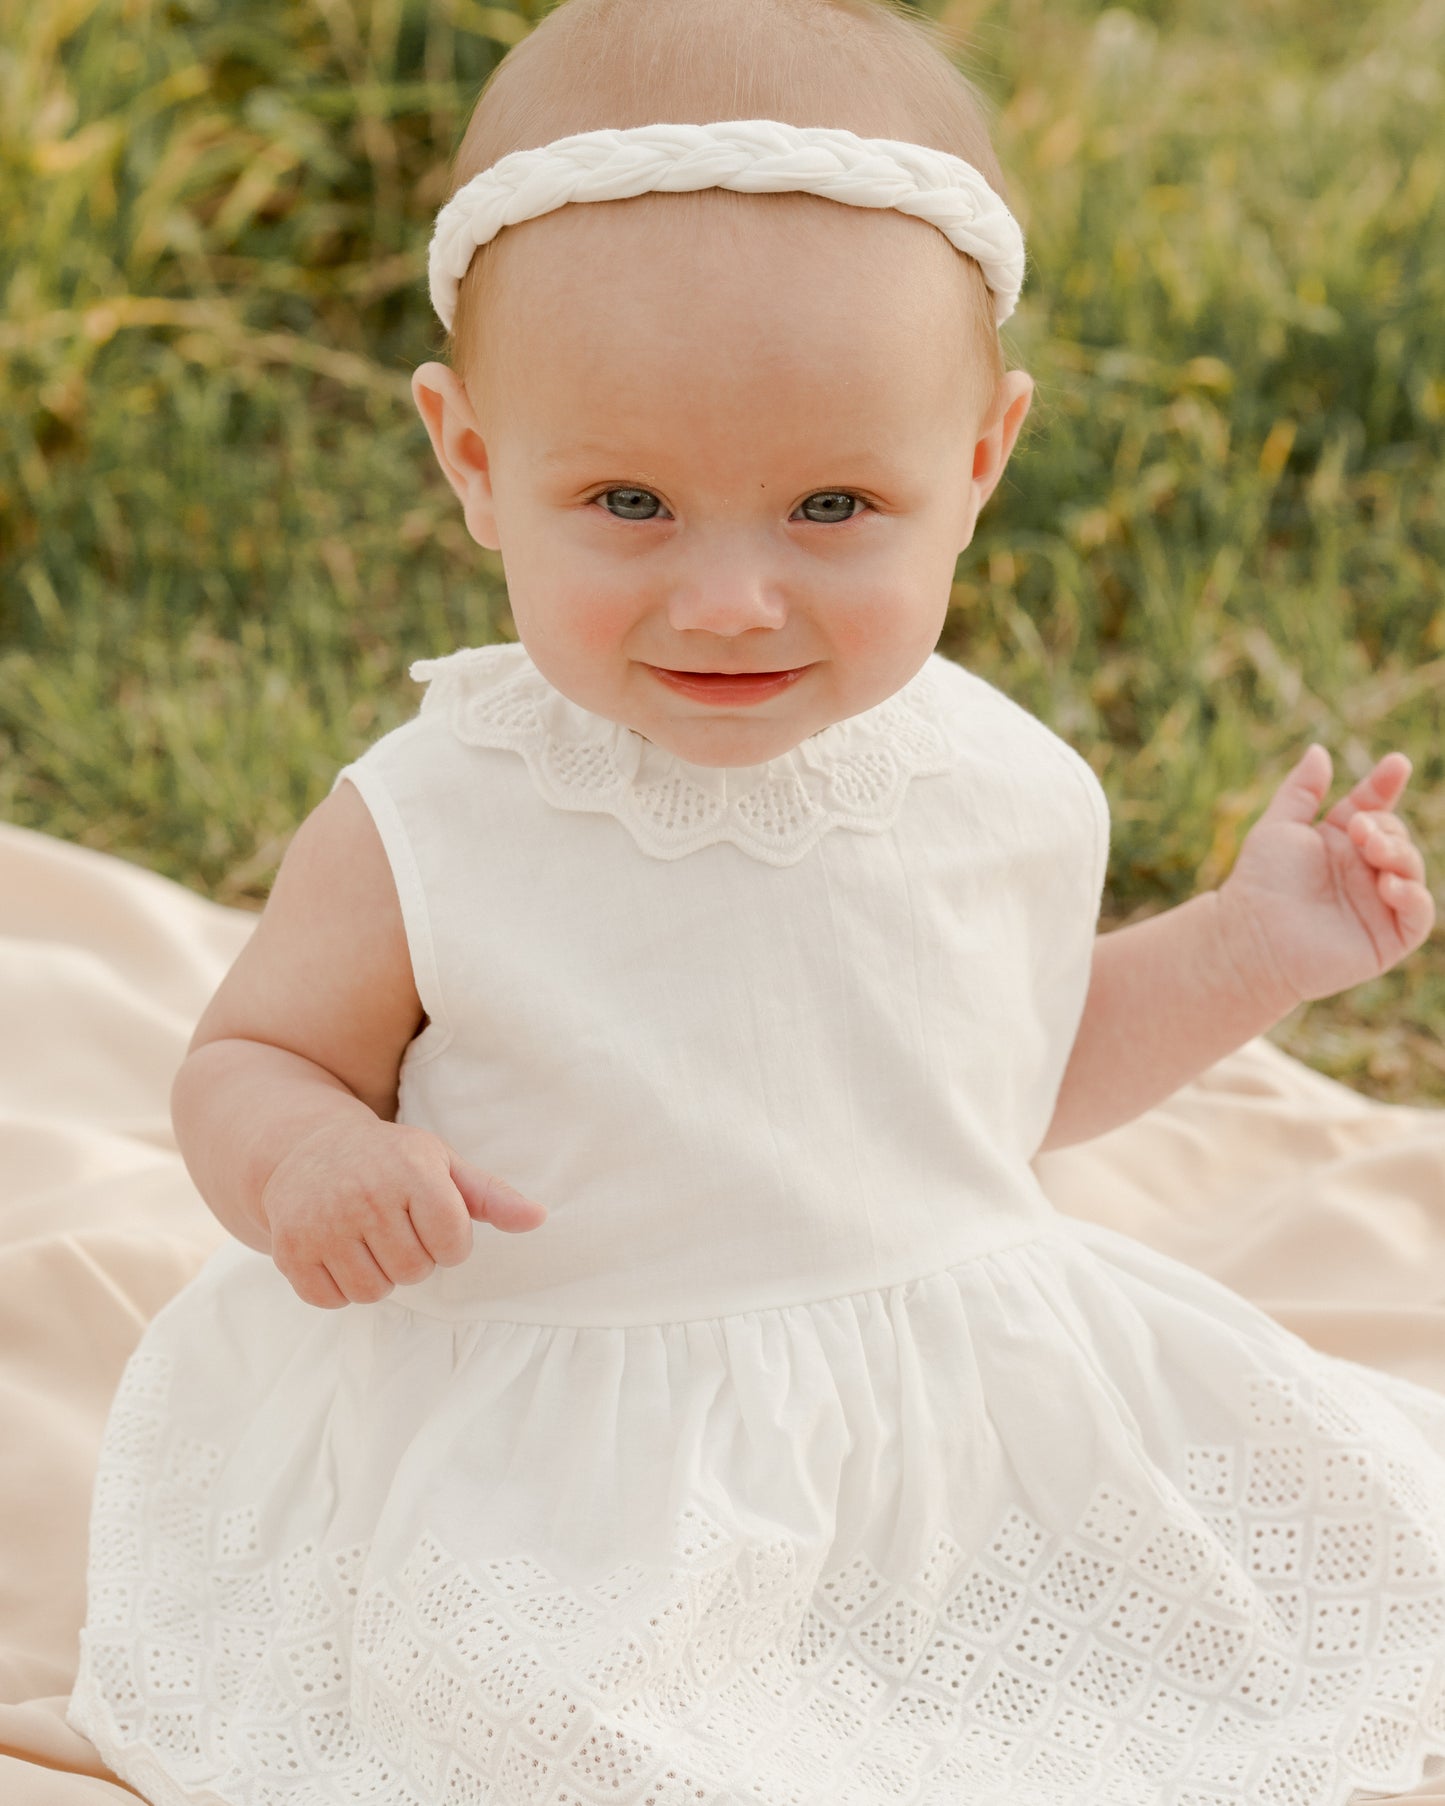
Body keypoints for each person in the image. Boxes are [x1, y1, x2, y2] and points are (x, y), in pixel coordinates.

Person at [65, 0, 1445, 1801]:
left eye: (829, 506)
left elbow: (993, 1091)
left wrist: (1255, 944)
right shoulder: (445, 813)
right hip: (559, 1430)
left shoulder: (1004, 785)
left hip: (935, 1401)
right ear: (473, 462)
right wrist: (308, 1157)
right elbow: (248, 1052)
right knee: (565, 1737)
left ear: (979, 462)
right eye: (628, 501)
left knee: (1250, 1616)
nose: (728, 596)